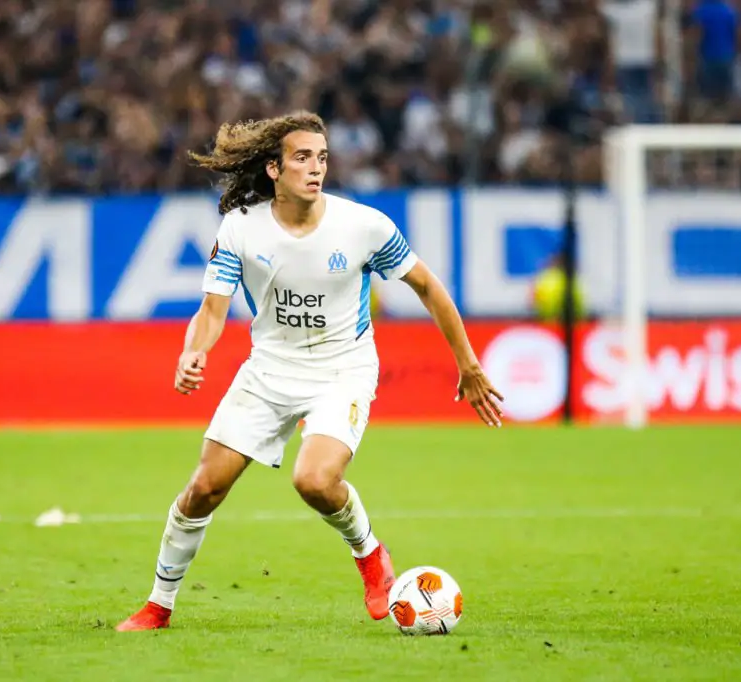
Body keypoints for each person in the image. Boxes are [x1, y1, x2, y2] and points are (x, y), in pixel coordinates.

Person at [116, 111, 505, 632]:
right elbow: (212, 310)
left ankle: (370, 554)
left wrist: (469, 364)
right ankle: (158, 606)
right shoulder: (241, 227)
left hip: (342, 369)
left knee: (315, 480)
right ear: (274, 169)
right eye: (302, 157)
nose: (316, 167)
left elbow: (428, 287)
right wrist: (193, 352)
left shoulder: (363, 226)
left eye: (322, 157)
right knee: (203, 489)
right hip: (269, 371)